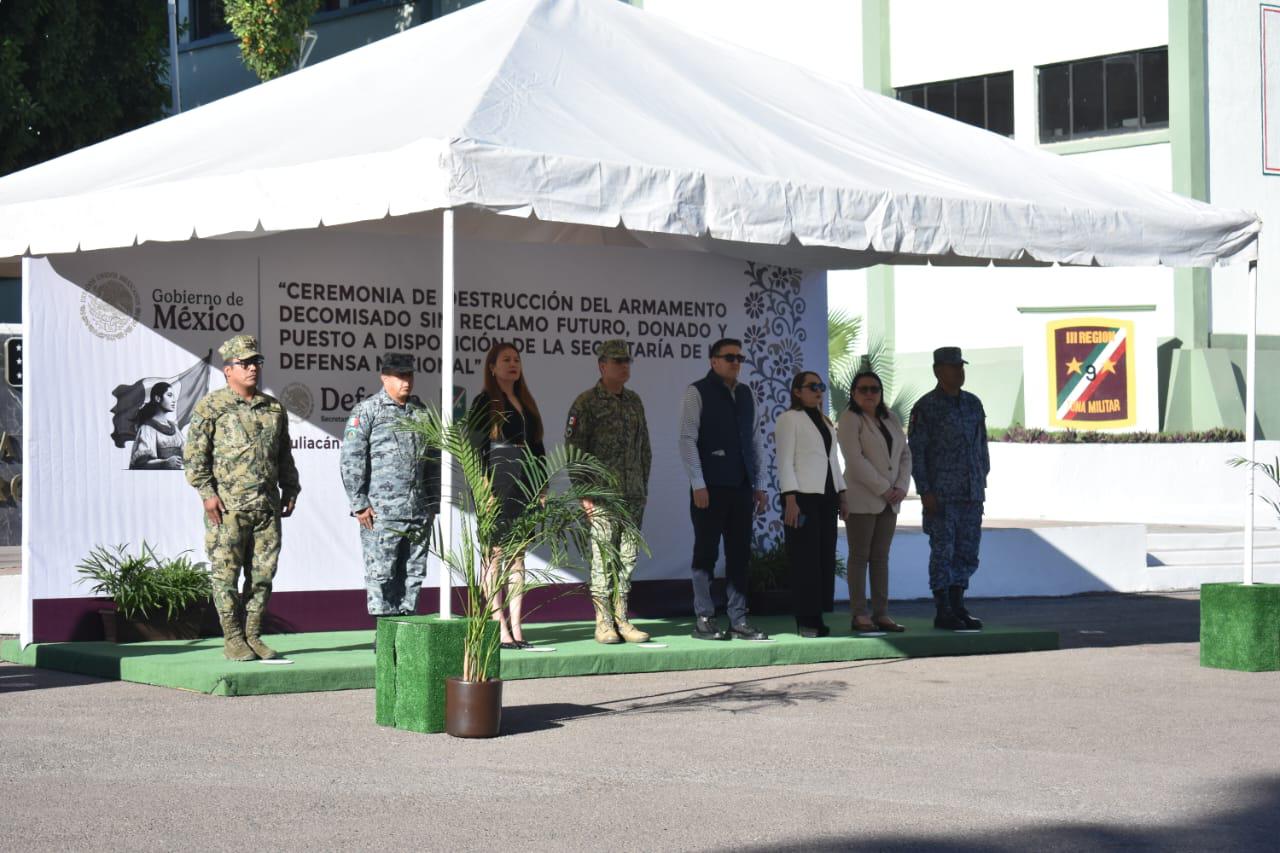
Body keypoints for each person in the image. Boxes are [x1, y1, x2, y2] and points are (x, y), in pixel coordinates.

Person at [186, 335, 300, 661]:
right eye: (245, 363)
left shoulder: (273, 408)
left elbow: (283, 456)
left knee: (262, 575)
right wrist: (207, 494)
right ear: (227, 370)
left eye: (256, 363)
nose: (252, 368)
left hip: (266, 508)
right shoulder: (212, 406)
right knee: (225, 574)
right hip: (228, 509)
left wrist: (290, 488)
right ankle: (233, 638)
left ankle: (252, 635)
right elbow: (195, 456)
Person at [678, 337, 769, 641]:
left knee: (739, 555)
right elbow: (687, 439)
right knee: (705, 553)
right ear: (713, 360)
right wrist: (698, 483)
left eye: (740, 358)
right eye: (729, 357)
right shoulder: (697, 391)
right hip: (710, 487)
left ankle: (739, 620)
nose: (735, 363)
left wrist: (760, 485)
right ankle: (704, 619)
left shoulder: (745, 394)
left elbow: (755, 441)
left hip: (741, 487)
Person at [340, 353, 440, 630]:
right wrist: (359, 503)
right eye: (399, 376)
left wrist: (433, 503)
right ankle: (384, 635)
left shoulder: (421, 412)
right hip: (381, 511)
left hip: (417, 510)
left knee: (413, 572)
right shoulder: (368, 410)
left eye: (409, 375)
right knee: (381, 573)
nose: (405, 381)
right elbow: (352, 458)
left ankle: (407, 631)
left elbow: (433, 459)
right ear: (384, 377)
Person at [565, 339, 652, 644]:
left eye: (627, 361)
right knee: (603, 557)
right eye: (617, 362)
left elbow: (644, 449)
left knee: (627, 558)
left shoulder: (634, 401)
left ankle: (622, 619)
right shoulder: (586, 403)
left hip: (633, 495)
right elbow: (574, 452)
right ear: (602, 366)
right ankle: (603, 622)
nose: (624, 366)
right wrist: (583, 493)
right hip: (600, 496)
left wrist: (643, 485)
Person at [469, 342, 546, 651]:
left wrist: (541, 487)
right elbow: (473, 450)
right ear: (492, 367)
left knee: (517, 558)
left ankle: (517, 626)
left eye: (516, 360)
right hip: (495, 485)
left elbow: (538, 448)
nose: (513, 364)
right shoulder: (483, 401)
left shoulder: (526, 402)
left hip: (524, 485)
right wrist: (483, 487)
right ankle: (498, 625)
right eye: (506, 360)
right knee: (495, 556)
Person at [908, 346, 990, 631]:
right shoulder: (926, 407)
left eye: (961, 366)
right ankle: (942, 608)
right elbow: (917, 453)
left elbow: (981, 446)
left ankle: (958, 604)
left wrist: (982, 479)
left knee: (967, 551)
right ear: (938, 371)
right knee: (943, 551)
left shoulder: (973, 404)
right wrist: (925, 490)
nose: (960, 371)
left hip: (971, 493)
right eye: (954, 367)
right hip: (941, 496)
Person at [837, 369, 911, 633]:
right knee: (859, 557)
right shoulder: (849, 419)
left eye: (874, 389)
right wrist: (884, 488)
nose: (869, 394)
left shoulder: (891, 418)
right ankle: (859, 614)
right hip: (863, 498)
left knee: (881, 558)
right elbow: (854, 460)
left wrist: (901, 486)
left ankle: (882, 614)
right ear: (853, 393)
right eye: (863, 389)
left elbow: (905, 455)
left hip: (891, 500)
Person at [774, 371, 845, 637]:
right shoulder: (788, 419)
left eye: (821, 386)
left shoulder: (826, 421)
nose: (818, 391)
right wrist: (790, 498)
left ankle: (817, 614)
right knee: (804, 559)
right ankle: (805, 619)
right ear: (797, 391)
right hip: (801, 497)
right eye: (812, 386)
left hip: (827, 496)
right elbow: (785, 461)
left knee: (823, 557)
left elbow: (833, 461)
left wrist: (842, 494)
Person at [129, 381, 185, 470]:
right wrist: (165, 463)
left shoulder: (174, 427)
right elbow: (140, 463)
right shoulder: (147, 428)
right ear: (158, 398)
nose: (174, 400)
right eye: (169, 395)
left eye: (174, 396)